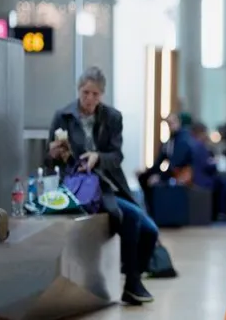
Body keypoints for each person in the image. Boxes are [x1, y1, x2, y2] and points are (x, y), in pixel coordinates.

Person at [47, 66, 159, 306]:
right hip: (81, 187)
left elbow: (116, 155)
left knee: (150, 231)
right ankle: (132, 281)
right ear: (79, 90)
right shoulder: (63, 117)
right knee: (129, 217)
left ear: (102, 95)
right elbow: (50, 161)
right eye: (86, 92)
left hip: (110, 183)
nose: (89, 99)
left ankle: (132, 277)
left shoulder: (112, 117)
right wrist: (54, 154)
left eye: (95, 94)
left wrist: (98, 157)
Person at [137, 112, 194, 212]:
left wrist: (159, 176)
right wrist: (148, 172)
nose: (171, 126)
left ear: (178, 122)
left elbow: (175, 164)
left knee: (154, 180)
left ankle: (155, 210)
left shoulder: (183, 140)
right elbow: (160, 161)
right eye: (169, 123)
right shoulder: (169, 141)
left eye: (173, 123)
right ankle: (151, 209)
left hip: (180, 174)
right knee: (143, 177)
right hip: (171, 172)